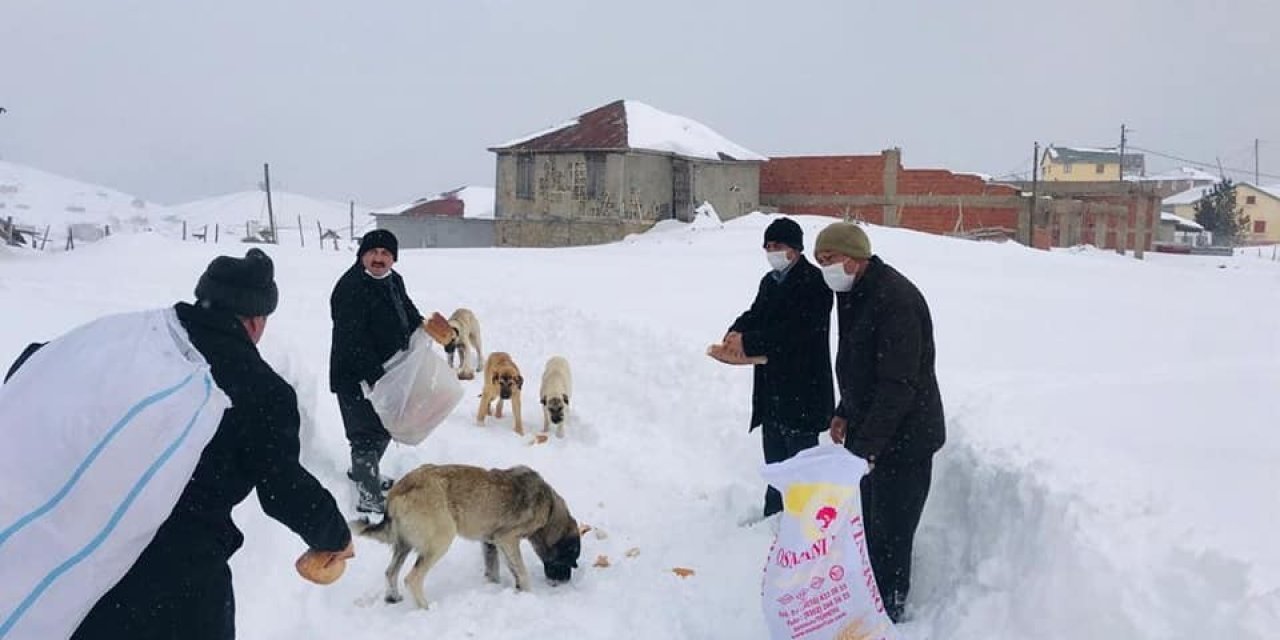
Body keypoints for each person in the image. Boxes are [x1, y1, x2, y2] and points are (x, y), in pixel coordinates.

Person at [68, 248, 354, 639]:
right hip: (180, 573)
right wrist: (333, 534)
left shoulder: (132, 340)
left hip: (83, 562)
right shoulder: (260, 389)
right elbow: (283, 488)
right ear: (255, 320)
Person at [813, 221, 945, 623]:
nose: (824, 269)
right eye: (819, 261)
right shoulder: (854, 292)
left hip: (907, 439)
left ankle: (889, 613)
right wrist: (844, 411)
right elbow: (860, 367)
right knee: (870, 527)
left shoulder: (896, 300)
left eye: (829, 259)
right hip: (874, 435)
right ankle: (870, 599)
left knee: (892, 533)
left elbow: (898, 386)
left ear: (854, 258)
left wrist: (867, 448)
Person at [724, 217, 834, 519]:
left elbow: (797, 332)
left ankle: (803, 529)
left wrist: (751, 341)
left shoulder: (815, 283)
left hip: (803, 391)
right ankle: (772, 521)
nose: (772, 251)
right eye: (768, 246)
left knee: (800, 469)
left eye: (779, 246)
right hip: (772, 392)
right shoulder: (770, 281)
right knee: (775, 466)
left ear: (796, 249)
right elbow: (756, 314)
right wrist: (736, 331)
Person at [328, 229, 424, 516]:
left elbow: (405, 309)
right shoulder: (350, 287)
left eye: (385, 253)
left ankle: (364, 472)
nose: (379, 258)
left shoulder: (394, 280)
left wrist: (421, 325)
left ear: (393, 258)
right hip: (355, 376)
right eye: (373, 252)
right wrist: (375, 376)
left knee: (383, 427)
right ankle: (368, 493)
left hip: (386, 372)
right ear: (362, 255)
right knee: (365, 432)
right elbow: (351, 339)